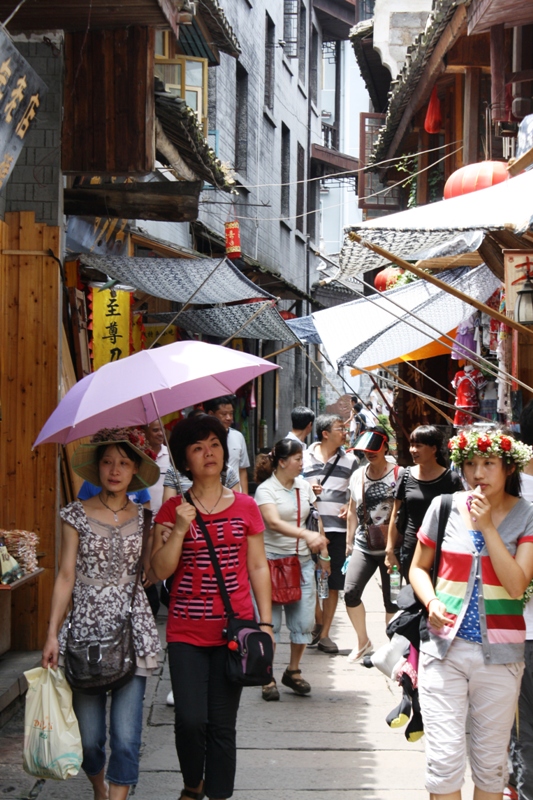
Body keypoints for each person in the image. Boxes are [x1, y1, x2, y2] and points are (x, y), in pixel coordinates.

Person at [149, 415, 272, 800]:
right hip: (185, 630)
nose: (209, 453)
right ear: (184, 460)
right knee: (189, 719)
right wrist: (181, 530)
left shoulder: (247, 506)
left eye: (215, 445)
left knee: (221, 724)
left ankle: (218, 793)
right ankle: (192, 784)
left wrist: (265, 623)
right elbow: (159, 570)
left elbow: (256, 566)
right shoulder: (172, 512)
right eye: (198, 447)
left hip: (232, 632)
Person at [410, 428, 533, 800]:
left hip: (501, 656)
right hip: (443, 650)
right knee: (443, 763)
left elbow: (516, 585)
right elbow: (418, 567)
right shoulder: (443, 506)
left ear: (508, 468)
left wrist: (488, 528)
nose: (478, 473)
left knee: (491, 765)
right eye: (470, 465)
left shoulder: (527, 515)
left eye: (489, 464)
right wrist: (431, 602)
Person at [42, 429, 161, 800]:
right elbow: (65, 576)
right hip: (84, 634)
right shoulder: (75, 514)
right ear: (97, 468)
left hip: (132, 627)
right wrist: (51, 634)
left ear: (135, 470)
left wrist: (171, 535)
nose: (114, 469)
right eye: (108, 461)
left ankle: (116, 796)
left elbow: (152, 573)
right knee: (91, 740)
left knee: (126, 739)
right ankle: (98, 786)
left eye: (124, 463)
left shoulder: (145, 517)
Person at [254, 439, 328, 701]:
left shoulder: (304, 486)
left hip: (303, 562)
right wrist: (306, 535)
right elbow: (272, 523)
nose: (301, 463)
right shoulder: (265, 490)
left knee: (305, 621)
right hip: (271, 562)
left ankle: (293, 670)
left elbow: (314, 518)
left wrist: (323, 553)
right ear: (282, 462)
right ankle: (267, 675)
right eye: (297, 459)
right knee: (269, 624)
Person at [345, 427, 402, 663]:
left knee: (393, 600)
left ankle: (393, 650)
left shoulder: (400, 474)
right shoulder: (358, 475)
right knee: (350, 592)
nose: (369, 454)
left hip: (393, 548)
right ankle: (363, 641)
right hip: (364, 544)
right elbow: (351, 511)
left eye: (374, 449)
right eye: (365, 451)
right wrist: (349, 543)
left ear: (385, 447)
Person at [303, 414, 358, 653]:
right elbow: (292, 486)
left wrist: (349, 504)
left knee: (333, 582)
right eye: (340, 429)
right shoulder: (303, 458)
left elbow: (356, 492)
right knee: (311, 579)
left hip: (337, 529)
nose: (345, 432)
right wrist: (307, 489)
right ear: (325, 433)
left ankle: (325, 634)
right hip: (309, 529)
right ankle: (317, 620)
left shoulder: (351, 461)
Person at [386, 425, 463, 582]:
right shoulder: (405, 475)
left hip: (442, 547)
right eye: (412, 445)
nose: (413, 450)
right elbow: (395, 514)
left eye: (418, 445)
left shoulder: (451, 479)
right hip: (411, 547)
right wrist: (389, 550)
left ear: (433, 449)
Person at [510, 402, 533, 800]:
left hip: (516, 628)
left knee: (524, 727)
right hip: (518, 628)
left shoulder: (507, 491)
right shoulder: (508, 491)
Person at [204, 396, 250, 493]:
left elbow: (242, 470)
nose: (229, 418)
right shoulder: (203, 440)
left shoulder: (238, 437)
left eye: (231, 413)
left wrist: (245, 496)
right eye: (224, 414)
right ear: (211, 414)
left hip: (235, 495)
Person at [144, 420, 170, 517]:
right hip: (143, 515)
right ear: (145, 433)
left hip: (165, 515)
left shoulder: (171, 456)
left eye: (162, 429)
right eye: (155, 430)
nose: (160, 433)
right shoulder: (139, 456)